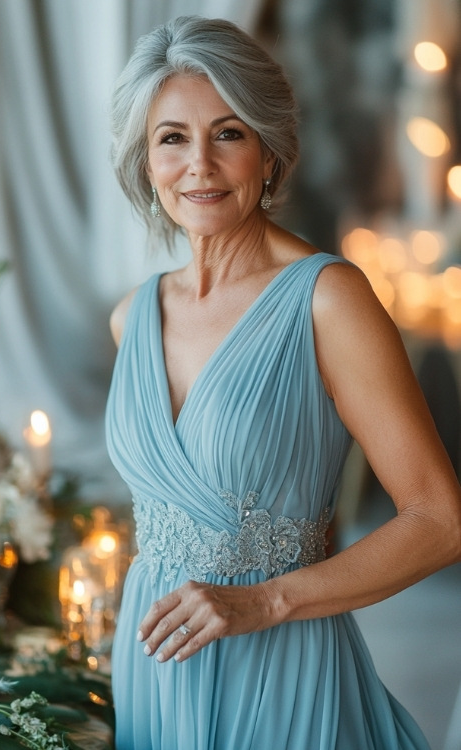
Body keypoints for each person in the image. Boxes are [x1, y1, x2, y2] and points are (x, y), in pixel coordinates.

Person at [105, 15, 461, 750]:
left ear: (269, 152)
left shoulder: (329, 300)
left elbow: (441, 521)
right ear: (145, 159)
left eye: (228, 133)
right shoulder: (132, 318)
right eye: (172, 137)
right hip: (153, 670)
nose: (198, 163)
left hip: (280, 671)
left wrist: (264, 601)